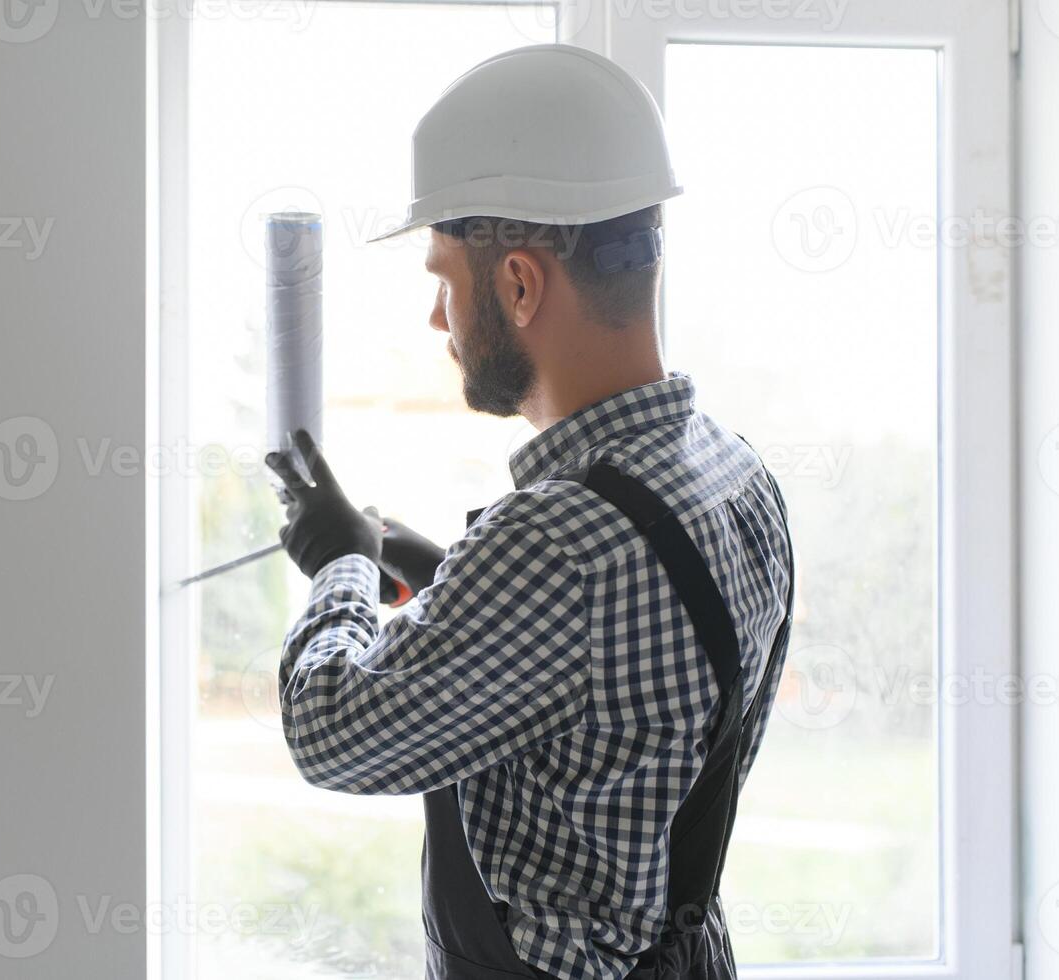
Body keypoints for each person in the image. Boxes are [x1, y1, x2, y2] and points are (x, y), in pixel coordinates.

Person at [265, 43, 794, 980]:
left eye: (444, 280)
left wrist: (341, 563)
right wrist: (440, 576)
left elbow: (330, 731)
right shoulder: (735, 475)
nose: (438, 319)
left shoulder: (555, 545)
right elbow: (619, 686)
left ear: (518, 283)